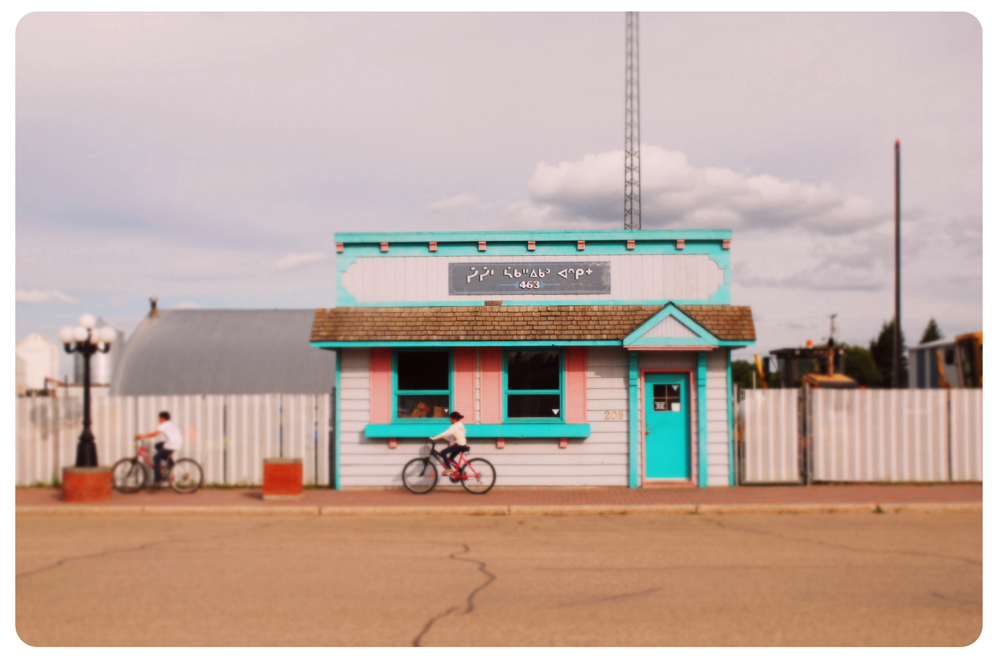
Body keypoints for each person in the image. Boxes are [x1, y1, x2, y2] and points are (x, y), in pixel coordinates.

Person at [135, 411, 184, 484]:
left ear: (162, 418)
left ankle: (158, 477)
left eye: (159, 418)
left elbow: (154, 434)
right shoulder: (171, 424)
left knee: (156, 458)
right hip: (177, 443)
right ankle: (170, 461)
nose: (159, 420)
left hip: (171, 444)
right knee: (158, 445)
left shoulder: (163, 425)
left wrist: (141, 436)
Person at [429, 411, 467, 476]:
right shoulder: (460, 425)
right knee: (450, 459)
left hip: (459, 445)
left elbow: (445, 433)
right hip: (462, 445)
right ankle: (461, 471)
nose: (450, 420)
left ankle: (449, 469)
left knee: (443, 452)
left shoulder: (455, 426)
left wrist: (433, 438)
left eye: (450, 418)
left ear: (454, 419)